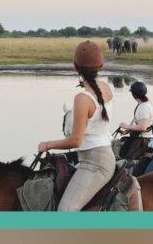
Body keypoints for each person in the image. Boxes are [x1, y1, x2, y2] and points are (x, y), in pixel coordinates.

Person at [37, 41, 119, 212]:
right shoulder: (106, 87)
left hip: (94, 163)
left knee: (66, 211)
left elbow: (75, 141)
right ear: (101, 65)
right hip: (104, 154)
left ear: (76, 67)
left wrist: (47, 145)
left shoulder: (82, 99)